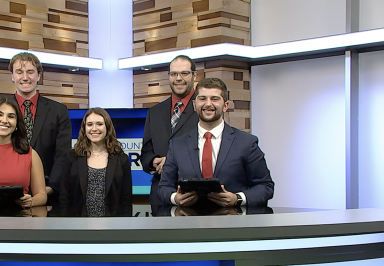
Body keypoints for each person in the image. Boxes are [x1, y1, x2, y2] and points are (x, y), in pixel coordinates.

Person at [157, 78, 274, 207]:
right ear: (194, 105)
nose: (208, 104)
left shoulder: (246, 143)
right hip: (189, 222)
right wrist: (176, 198)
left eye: (215, 99)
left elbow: (266, 186)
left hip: (233, 222)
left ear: (225, 106)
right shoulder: (177, 145)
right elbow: (163, 188)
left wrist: (238, 198)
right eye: (202, 99)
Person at [8, 52, 72, 199]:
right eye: (19, 72)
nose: (25, 77)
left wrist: (48, 189)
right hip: (8, 192)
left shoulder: (58, 111)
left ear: (39, 76)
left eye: (30, 72)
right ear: (12, 76)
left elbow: (63, 154)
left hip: (48, 193)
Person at [141, 55, 200, 205]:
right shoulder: (154, 112)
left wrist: (172, 162)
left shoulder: (204, 109)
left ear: (194, 75)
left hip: (194, 196)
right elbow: (146, 153)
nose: (178, 78)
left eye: (184, 73)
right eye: (173, 74)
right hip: (160, 196)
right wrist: (154, 161)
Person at [53, 108, 132, 217]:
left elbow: (126, 200)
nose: (94, 129)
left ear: (107, 127)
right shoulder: (72, 157)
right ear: (84, 128)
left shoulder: (121, 159)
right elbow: (64, 197)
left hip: (112, 225)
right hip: (79, 225)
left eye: (99, 124)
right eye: (90, 124)